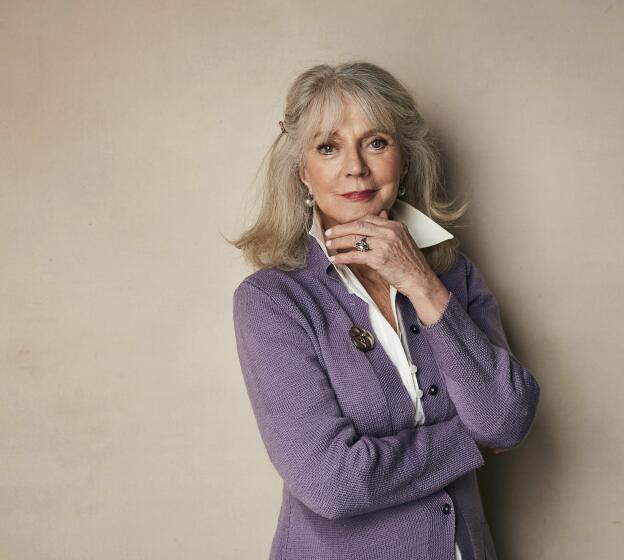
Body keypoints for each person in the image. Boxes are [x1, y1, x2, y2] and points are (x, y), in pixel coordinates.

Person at [231, 61, 540, 560]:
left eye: (376, 142)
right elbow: (333, 482)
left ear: (405, 159)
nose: (356, 167)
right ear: (302, 172)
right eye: (328, 147)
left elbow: (506, 420)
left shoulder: (454, 276)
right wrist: (469, 443)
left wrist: (421, 281)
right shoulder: (273, 301)